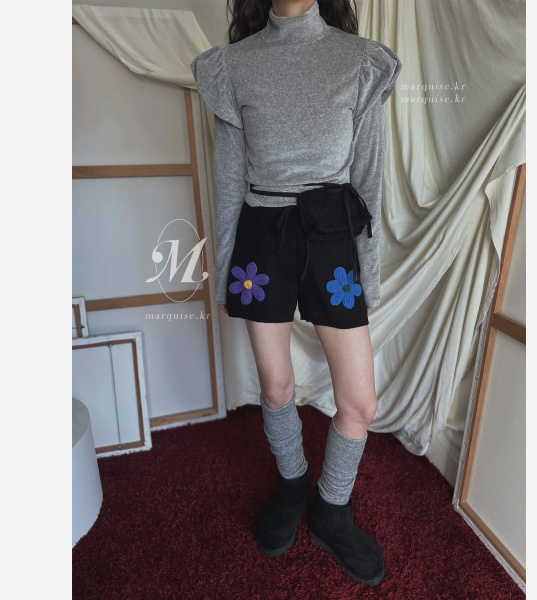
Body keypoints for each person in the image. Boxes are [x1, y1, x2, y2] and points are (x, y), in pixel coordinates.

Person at [191, 0, 401, 587]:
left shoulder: (359, 61)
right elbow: (228, 181)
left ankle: (332, 509)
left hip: (333, 234)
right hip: (262, 239)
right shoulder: (233, 66)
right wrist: (227, 271)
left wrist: (368, 272)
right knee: (276, 385)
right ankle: (291, 485)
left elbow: (369, 179)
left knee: (360, 401)